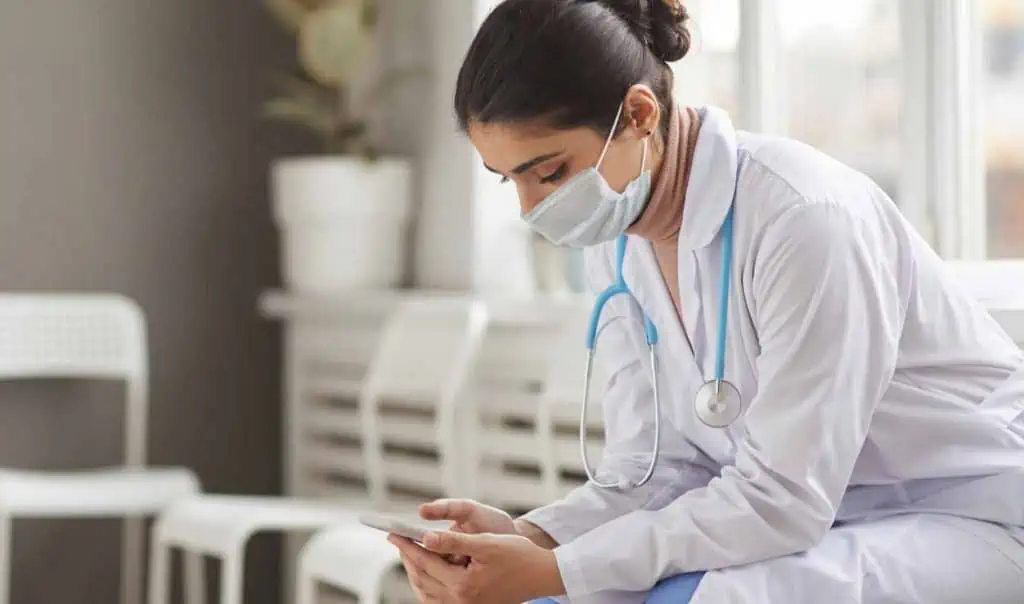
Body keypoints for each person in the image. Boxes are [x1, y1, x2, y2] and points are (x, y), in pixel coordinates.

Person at [388, 0, 1024, 602]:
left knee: (694, 597)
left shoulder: (804, 219)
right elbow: (655, 469)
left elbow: (780, 498)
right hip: (831, 518)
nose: (532, 209)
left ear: (640, 115)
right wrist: (534, 538)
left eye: (549, 172)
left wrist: (562, 566)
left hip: (972, 514)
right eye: (512, 180)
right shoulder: (618, 241)